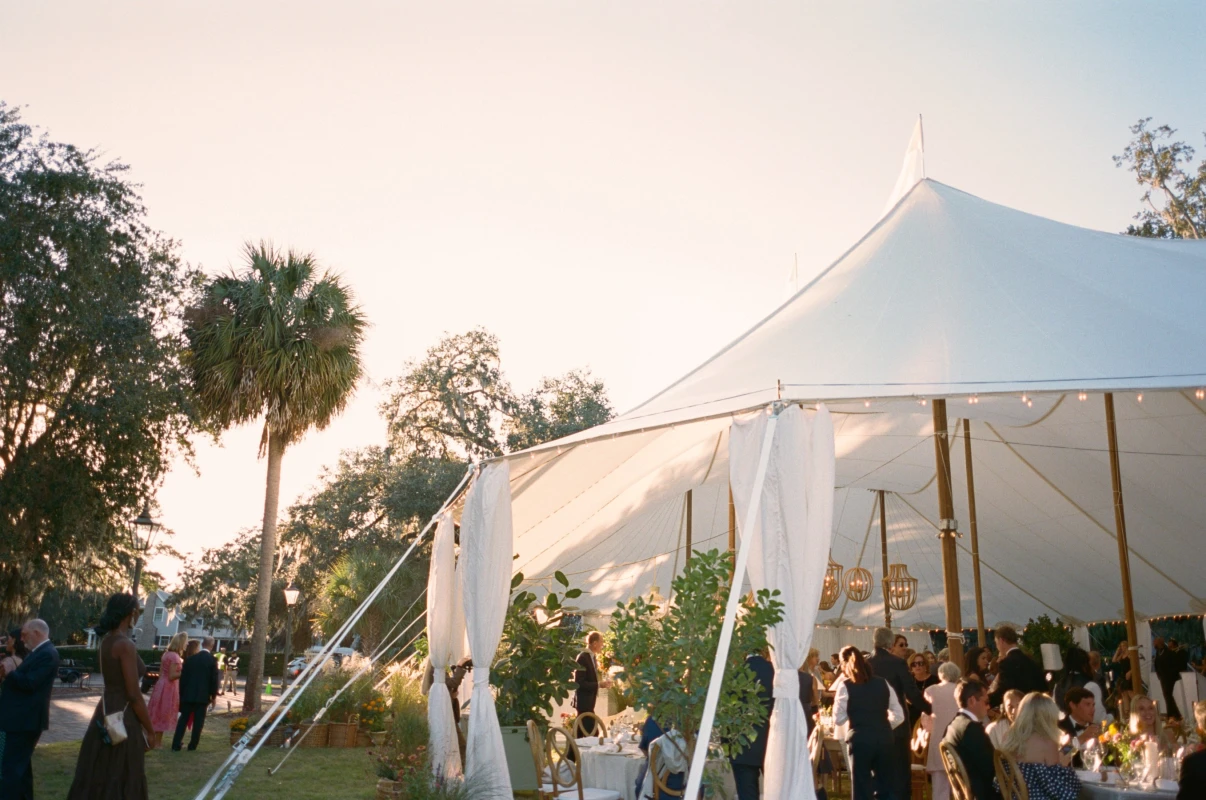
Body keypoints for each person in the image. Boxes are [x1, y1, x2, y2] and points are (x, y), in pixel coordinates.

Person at [68, 594, 153, 799]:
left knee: (101, 767)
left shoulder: (108, 641)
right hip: (123, 712)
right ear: (131, 613)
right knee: (124, 769)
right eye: (138, 610)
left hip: (106, 708)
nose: (139, 614)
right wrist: (150, 729)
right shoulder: (124, 645)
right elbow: (134, 694)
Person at [833, 645, 905, 800]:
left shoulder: (845, 686)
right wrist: (882, 725)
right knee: (886, 786)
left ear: (844, 664)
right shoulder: (883, 683)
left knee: (861, 787)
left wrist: (857, 717)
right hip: (884, 738)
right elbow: (899, 715)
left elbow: (838, 719)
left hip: (860, 739)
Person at [0, 619, 60, 800]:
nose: (22, 638)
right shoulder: (38, 653)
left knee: (11, 770)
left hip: (25, 721)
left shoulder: (48, 654)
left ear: (37, 633)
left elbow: (30, 683)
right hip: (21, 720)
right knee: (22, 770)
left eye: (25, 634)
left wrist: (11, 672)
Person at [868, 627, 927, 800]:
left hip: (873, 724)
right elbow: (911, 692)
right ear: (890, 643)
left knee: (878, 771)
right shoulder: (897, 663)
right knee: (900, 774)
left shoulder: (867, 663)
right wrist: (929, 709)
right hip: (898, 726)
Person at [998, 693, 1081, 800]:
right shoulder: (1047, 742)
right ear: (1048, 716)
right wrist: (1064, 766)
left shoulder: (1008, 736)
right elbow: (1061, 791)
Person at [941, 679, 1001, 800]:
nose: (989, 706)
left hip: (965, 792)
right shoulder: (971, 728)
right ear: (972, 701)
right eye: (986, 701)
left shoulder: (952, 726)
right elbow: (990, 767)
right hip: (983, 794)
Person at [729, 650, 774, 800]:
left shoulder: (734, 673)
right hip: (771, 741)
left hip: (742, 744)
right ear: (764, 650)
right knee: (777, 793)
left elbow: (728, 711)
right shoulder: (775, 671)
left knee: (747, 795)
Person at [172, 636, 219, 751]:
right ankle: (192, 745)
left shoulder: (190, 659)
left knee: (183, 719)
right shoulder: (212, 660)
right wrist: (213, 696)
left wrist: (181, 693)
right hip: (203, 696)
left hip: (188, 694)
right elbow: (214, 680)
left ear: (203, 644)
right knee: (198, 722)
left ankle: (176, 744)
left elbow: (183, 679)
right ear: (211, 646)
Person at [923, 661, 962, 800]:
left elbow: (926, 720)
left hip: (938, 740)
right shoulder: (962, 689)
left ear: (940, 674)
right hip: (958, 740)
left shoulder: (931, 690)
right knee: (961, 784)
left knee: (939, 787)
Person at [146, 632, 187, 748]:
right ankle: (157, 743)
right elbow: (172, 675)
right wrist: (185, 671)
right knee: (163, 712)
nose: (186, 644)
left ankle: (153, 740)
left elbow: (161, 673)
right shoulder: (174, 656)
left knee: (157, 712)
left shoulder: (166, 654)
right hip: (168, 687)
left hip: (161, 684)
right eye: (185, 642)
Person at [988, 625, 1046, 707]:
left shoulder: (1006, 663)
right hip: (1036, 706)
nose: (997, 647)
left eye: (996, 643)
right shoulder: (1031, 661)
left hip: (1020, 708)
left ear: (1001, 641)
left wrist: (987, 702)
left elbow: (1005, 690)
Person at [573, 631, 611, 735]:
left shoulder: (591, 657)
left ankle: (574, 750)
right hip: (584, 703)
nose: (602, 645)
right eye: (601, 642)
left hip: (589, 703)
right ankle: (574, 750)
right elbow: (579, 683)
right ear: (594, 643)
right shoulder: (583, 658)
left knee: (584, 734)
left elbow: (590, 679)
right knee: (591, 734)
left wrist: (601, 684)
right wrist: (599, 684)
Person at [1054, 687, 1098, 768]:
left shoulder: (1096, 728)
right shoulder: (1058, 727)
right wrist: (1081, 739)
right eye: (1087, 704)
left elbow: (1108, 760)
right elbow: (1059, 754)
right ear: (1073, 705)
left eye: (1093, 705)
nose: (1093, 709)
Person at [1153, 636, 1186, 721]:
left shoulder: (1168, 652)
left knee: (1168, 695)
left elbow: (1173, 665)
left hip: (1169, 677)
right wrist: (1158, 673)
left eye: (1155, 643)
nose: (1154, 644)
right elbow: (1156, 663)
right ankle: (1175, 714)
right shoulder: (1158, 652)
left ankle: (1171, 714)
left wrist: (1168, 674)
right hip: (1163, 677)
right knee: (1167, 695)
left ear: (1160, 643)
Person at [908, 652, 938, 731]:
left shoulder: (935, 680)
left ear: (925, 665)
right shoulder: (908, 681)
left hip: (930, 718)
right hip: (912, 719)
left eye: (920, 663)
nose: (917, 666)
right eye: (914, 664)